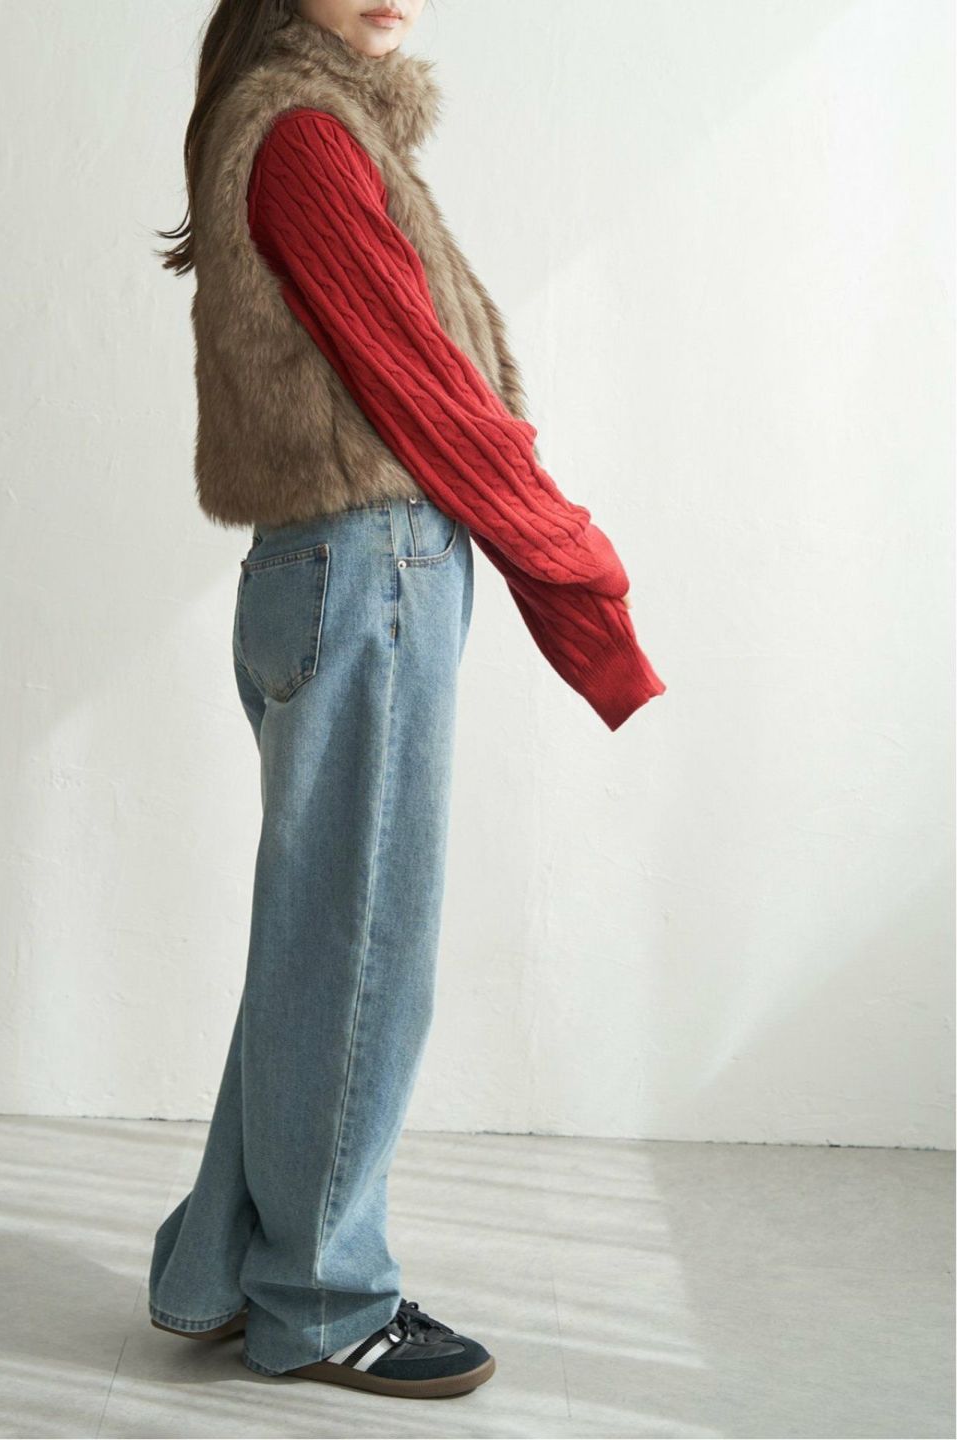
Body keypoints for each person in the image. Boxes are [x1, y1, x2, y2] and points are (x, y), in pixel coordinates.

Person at [147, 0, 665, 1399]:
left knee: (319, 937)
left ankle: (223, 1264)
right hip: (369, 567)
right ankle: (322, 1301)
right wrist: (574, 562)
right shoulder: (307, 135)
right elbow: (425, 384)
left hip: (329, 570)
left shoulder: (302, 119)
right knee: (361, 941)